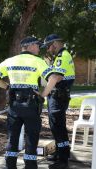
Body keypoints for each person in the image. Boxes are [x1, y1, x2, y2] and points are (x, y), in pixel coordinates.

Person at [0, 36, 63, 169]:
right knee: (31, 139)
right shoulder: (37, 61)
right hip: (31, 105)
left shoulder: (10, 61)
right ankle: (30, 166)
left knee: (12, 138)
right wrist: (42, 95)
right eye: (37, 45)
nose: (39, 48)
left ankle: (10, 166)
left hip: (14, 106)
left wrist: (7, 87)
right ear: (30, 46)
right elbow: (53, 78)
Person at [41, 34, 75, 169]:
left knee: (58, 128)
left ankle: (63, 159)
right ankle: (60, 152)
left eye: (48, 46)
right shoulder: (59, 57)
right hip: (57, 97)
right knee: (55, 126)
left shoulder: (63, 56)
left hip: (58, 97)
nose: (48, 50)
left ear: (54, 43)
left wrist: (43, 94)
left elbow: (55, 77)